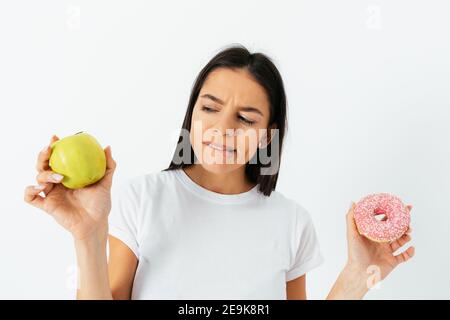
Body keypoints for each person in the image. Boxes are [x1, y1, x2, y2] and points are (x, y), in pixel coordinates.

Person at [24, 45, 414, 300]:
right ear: (192, 113)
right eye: (209, 108)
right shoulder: (141, 198)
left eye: (245, 118)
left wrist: (361, 273)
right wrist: (88, 235)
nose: (223, 127)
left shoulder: (292, 222)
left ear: (268, 136)